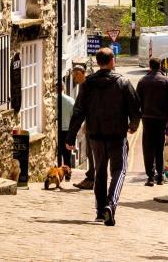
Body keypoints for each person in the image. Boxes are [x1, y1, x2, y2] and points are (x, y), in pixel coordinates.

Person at [66, 47, 140, 226]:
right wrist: (132, 126)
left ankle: (100, 210)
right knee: (119, 170)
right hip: (116, 135)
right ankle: (110, 205)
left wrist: (70, 138)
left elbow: (78, 112)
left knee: (100, 171)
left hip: (95, 136)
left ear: (98, 62)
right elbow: (135, 108)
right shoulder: (123, 82)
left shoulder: (87, 83)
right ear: (112, 61)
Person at [136, 57, 168, 186]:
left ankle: (150, 176)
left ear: (149, 66)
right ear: (160, 66)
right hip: (161, 119)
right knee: (159, 147)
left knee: (148, 148)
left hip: (147, 119)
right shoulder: (166, 81)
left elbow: (137, 101)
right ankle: (160, 175)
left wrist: (140, 115)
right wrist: (167, 117)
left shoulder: (143, 81)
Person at [69, 64, 95, 190]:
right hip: (97, 123)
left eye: (75, 76)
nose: (74, 80)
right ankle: (93, 177)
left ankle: (92, 179)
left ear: (81, 73)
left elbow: (78, 111)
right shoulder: (91, 84)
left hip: (93, 125)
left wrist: (70, 136)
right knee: (93, 153)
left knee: (91, 153)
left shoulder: (86, 86)